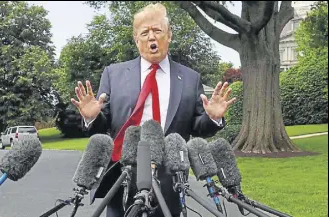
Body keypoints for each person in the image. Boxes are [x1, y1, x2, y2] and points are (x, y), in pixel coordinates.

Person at [71, 3, 236, 217]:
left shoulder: (189, 78)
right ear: (136, 39)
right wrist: (91, 117)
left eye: (157, 30)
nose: (151, 37)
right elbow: (102, 127)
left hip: (171, 179)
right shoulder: (113, 74)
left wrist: (212, 118)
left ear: (169, 35)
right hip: (123, 176)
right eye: (144, 32)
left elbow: (198, 127)